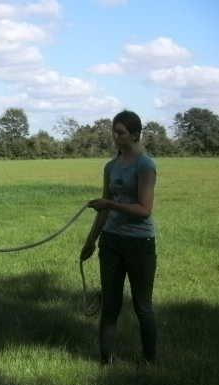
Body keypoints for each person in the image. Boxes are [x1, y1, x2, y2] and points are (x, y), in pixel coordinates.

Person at [80, 110, 157, 365]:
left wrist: (110, 205)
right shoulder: (110, 167)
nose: (115, 136)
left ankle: (149, 361)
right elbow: (105, 207)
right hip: (111, 242)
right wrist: (91, 241)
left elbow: (144, 210)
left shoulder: (145, 166)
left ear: (135, 135)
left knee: (142, 305)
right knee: (110, 304)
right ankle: (106, 360)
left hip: (139, 243)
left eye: (121, 132)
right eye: (114, 131)